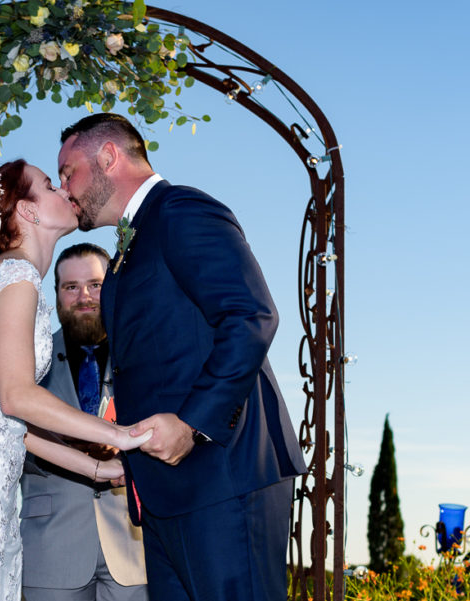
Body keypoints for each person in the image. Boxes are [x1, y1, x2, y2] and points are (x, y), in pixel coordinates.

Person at [56, 113, 308, 601]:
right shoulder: (127, 250)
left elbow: (250, 315)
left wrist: (192, 423)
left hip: (222, 477)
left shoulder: (182, 210)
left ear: (108, 157)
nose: (65, 187)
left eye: (69, 172)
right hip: (162, 493)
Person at [0, 159, 152, 601]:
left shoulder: (10, 276)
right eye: (47, 185)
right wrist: (123, 435)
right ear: (29, 212)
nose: (62, 189)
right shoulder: (17, 278)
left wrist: (98, 467)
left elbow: (9, 425)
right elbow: (18, 397)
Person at [20, 243, 148, 601]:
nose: (84, 296)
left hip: (135, 546)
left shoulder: (144, 352)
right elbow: (7, 435)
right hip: (50, 546)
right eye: (71, 287)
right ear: (57, 295)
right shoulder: (28, 357)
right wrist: (67, 448)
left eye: (95, 284)